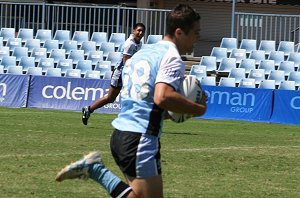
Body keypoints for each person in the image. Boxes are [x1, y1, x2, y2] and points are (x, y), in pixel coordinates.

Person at [56, 4, 207, 198]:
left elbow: (144, 103)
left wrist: (176, 111)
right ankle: (96, 170)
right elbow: (162, 97)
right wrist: (197, 108)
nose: (198, 37)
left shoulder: (142, 54)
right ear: (179, 32)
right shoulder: (173, 58)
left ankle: (95, 169)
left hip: (121, 135)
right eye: (195, 32)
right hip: (141, 139)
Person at [81, 22, 146, 125]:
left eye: (142, 31)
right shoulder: (130, 44)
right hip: (121, 74)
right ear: (133, 31)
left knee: (115, 98)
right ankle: (89, 109)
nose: (140, 33)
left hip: (128, 73)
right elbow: (126, 62)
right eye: (138, 30)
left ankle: (89, 109)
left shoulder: (139, 43)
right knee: (111, 98)